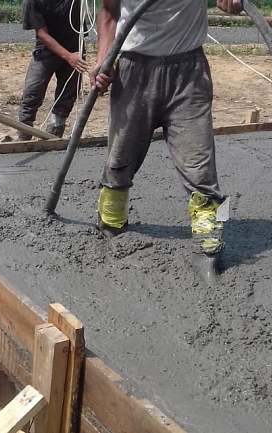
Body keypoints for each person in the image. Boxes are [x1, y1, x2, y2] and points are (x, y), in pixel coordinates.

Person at [89, 0, 243, 286]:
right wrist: (103, 60)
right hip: (134, 70)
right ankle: (110, 223)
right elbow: (109, 12)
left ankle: (208, 245)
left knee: (200, 165)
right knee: (119, 160)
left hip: (189, 73)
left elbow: (232, 4)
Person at [18, 0, 89, 140]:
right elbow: (42, 34)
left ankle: (56, 129)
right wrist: (68, 56)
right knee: (33, 90)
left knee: (68, 92)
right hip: (46, 50)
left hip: (75, 48)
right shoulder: (32, 1)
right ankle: (24, 133)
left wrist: (72, 56)